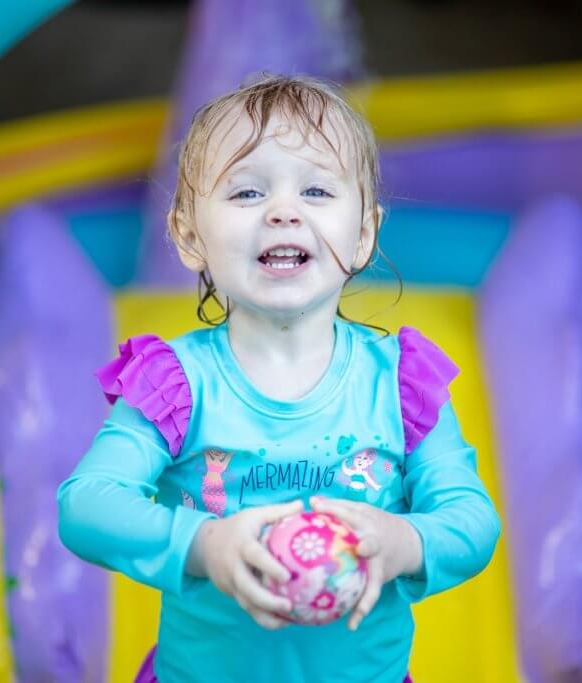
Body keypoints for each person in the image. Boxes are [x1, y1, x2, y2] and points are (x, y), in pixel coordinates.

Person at [57, 74, 500, 683]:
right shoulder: (178, 385)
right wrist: (203, 547)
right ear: (189, 235)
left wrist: (407, 542)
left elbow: (471, 518)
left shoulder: (400, 384)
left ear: (365, 232)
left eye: (317, 189)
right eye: (245, 194)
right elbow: (85, 504)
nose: (284, 211)